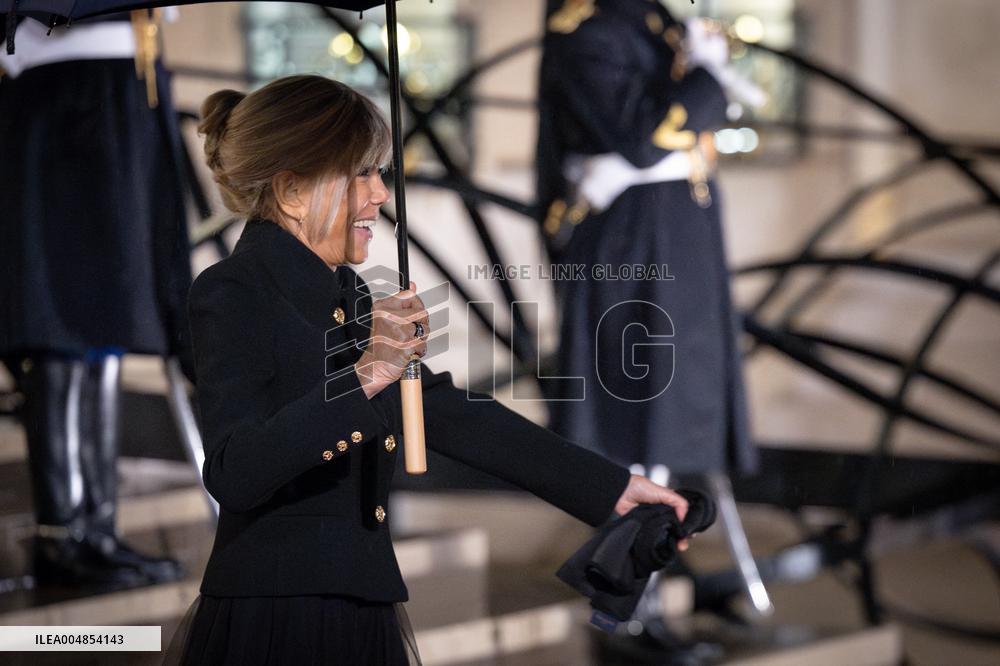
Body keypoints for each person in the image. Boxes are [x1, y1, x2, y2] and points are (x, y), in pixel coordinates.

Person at [166, 75, 695, 665]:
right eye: (362, 173)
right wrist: (369, 374)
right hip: (283, 617)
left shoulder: (348, 291)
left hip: (357, 602)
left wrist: (611, 489)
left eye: (380, 172)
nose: (380, 195)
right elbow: (234, 472)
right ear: (292, 190)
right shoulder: (234, 289)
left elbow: (446, 412)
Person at [0, 11, 189, 588]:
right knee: (59, 311)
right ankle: (63, 535)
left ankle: (98, 528)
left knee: (113, 309)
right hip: (65, 95)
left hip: (129, 90)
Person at [536, 0, 758, 483]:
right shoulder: (586, 28)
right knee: (631, 401)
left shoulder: (654, 17)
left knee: (676, 399)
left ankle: (652, 529)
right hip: (633, 237)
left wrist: (707, 76)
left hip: (677, 231)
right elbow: (641, 137)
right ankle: (630, 538)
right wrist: (705, 75)